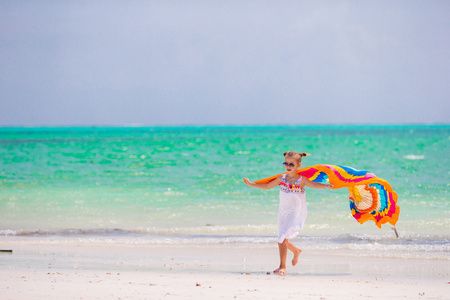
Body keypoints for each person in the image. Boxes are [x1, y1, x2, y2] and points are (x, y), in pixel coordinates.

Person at [243, 151, 333, 276]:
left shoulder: (301, 180)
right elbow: (268, 186)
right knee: (282, 238)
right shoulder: (282, 178)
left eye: (292, 164)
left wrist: (326, 186)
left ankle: (283, 266)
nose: (288, 166)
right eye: (286, 163)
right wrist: (251, 184)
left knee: (281, 237)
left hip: (295, 212)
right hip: (283, 211)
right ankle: (296, 251)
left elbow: (314, 185)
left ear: (298, 165)